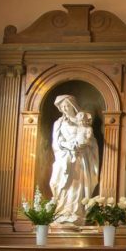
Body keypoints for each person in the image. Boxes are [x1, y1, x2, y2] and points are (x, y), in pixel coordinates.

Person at [49, 94, 100, 224]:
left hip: (80, 158)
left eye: (66, 105)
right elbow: (56, 142)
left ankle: (76, 212)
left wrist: (85, 144)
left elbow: (91, 139)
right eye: (62, 107)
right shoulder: (58, 123)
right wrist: (68, 145)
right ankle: (62, 211)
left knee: (77, 185)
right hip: (64, 157)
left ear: (72, 106)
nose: (65, 109)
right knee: (60, 183)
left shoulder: (82, 121)